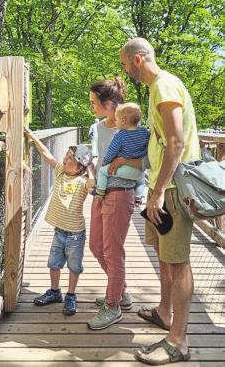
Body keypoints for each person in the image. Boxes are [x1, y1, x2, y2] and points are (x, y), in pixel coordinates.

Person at [119, 38, 200, 365]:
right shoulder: (157, 89)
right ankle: (164, 314)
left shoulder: (165, 86)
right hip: (161, 186)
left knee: (178, 261)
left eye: (125, 64)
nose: (125, 70)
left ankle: (178, 341)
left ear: (137, 59)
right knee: (164, 256)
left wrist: (157, 192)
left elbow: (177, 142)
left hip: (172, 189)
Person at [87, 77, 142, 330]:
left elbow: (148, 163)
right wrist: (89, 173)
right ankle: (121, 291)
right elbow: (96, 159)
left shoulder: (131, 127)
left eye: (94, 103)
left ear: (109, 104)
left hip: (120, 193)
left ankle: (113, 305)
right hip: (100, 193)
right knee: (97, 246)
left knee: (113, 250)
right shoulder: (98, 127)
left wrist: (122, 163)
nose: (92, 108)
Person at [24, 127, 95, 315]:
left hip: (75, 235)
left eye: (71, 159)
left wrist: (90, 168)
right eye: (66, 155)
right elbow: (46, 154)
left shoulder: (83, 182)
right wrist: (32, 136)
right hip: (59, 231)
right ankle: (55, 291)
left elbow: (93, 184)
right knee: (54, 263)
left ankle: (71, 295)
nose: (65, 159)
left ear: (80, 167)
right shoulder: (60, 172)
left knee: (74, 266)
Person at [95, 102, 149, 204]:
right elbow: (148, 147)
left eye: (117, 119)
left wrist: (105, 161)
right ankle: (138, 196)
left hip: (124, 169)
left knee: (102, 171)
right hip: (138, 171)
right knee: (141, 181)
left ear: (123, 120)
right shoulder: (145, 132)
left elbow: (112, 151)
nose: (115, 122)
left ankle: (100, 191)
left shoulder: (120, 135)